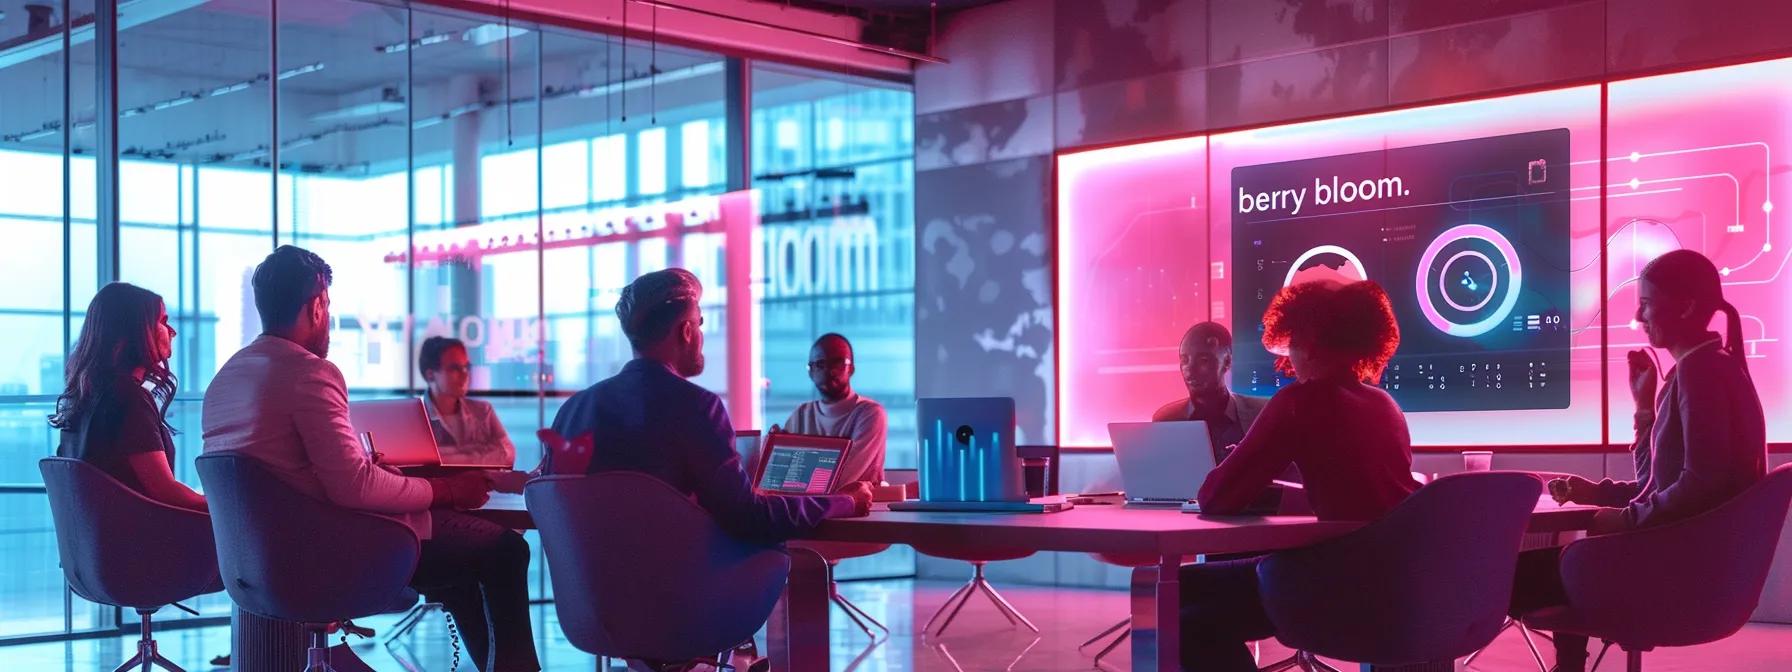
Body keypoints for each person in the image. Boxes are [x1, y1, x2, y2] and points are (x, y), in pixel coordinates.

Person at [202, 245, 539, 672]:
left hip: (255, 563)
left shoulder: (224, 380)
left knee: (461, 570)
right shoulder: (309, 372)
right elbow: (353, 486)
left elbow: (288, 477)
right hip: (329, 555)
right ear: (318, 303)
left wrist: (374, 470)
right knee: (506, 551)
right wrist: (446, 489)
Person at [1513, 249, 1766, 672]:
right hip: (1693, 561)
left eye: (1646, 303)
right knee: (1554, 565)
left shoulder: (1700, 371)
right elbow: (1663, 485)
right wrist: (1643, 410)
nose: (1638, 315)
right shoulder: (1710, 367)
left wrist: (1625, 520)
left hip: (1675, 571)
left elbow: (1701, 485)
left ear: (1684, 306)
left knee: (1508, 576)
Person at [1179, 280, 1422, 671]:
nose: (1289, 354)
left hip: (1334, 582)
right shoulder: (1385, 404)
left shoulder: (1300, 401)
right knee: (1193, 602)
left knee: (1178, 598)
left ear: (1307, 342)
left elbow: (1217, 497)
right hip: (1396, 577)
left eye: (1291, 341)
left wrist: (1239, 457)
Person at [550, 268, 873, 545]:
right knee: (774, 553)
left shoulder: (573, 411)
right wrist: (845, 501)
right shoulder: (696, 407)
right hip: (681, 596)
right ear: (687, 332)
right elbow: (750, 519)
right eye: (700, 324)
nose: (702, 334)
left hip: (591, 600)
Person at [52, 282, 206, 512]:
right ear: (135, 331)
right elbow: (164, 491)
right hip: (140, 543)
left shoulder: (83, 400)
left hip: (102, 544)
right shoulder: (128, 399)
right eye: (163, 321)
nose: (172, 332)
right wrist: (224, 507)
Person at [770, 333, 888, 486]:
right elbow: (779, 478)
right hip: (809, 508)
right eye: (820, 364)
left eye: (837, 363)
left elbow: (844, 479)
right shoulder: (801, 415)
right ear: (810, 372)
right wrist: (776, 455)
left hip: (861, 508)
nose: (829, 371)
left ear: (851, 369)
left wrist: (797, 466)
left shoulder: (870, 414)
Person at [1151, 321, 1270, 456]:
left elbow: (1286, 472)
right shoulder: (1166, 419)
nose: (1190, 370)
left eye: (1203, 360)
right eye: (1184, 360)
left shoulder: (1261, 413)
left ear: (1227, 362)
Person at [418, 336, 516, 467]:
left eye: (466, 367)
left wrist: (443, 456)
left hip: (476, 488)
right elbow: (415, 463)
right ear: (431, 374)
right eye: (454, 369)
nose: (465, 375)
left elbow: (507, 455)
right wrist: (476, 453)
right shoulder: (415, 417)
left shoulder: (483, 412)